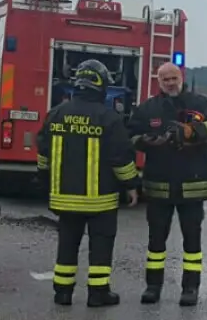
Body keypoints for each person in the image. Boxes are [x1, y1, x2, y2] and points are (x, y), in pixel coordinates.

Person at [36, 59, 140, 306]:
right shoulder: (109, 118)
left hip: (65, 197)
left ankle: (62, 291)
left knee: (67, 243)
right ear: (101, 85)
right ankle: (98, 293)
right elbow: (121, 159)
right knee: (101, 244)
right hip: (100, 201)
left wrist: (43, 178)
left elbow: (43, 152)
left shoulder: (56, 113)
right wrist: (132, 185)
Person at [127, 62, 207, 305]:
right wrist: (145, 141)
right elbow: (129, 135)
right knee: (155, 241)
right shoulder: (149, 108)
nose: (170, 82)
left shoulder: (200, 104)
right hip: (158, 187)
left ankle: (190, 288)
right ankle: (153, 286)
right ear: (158, 82)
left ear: (181, 77)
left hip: (193, 187)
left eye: (173, 78)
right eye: (165, 79)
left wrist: (193, 132)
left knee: (192, 242)